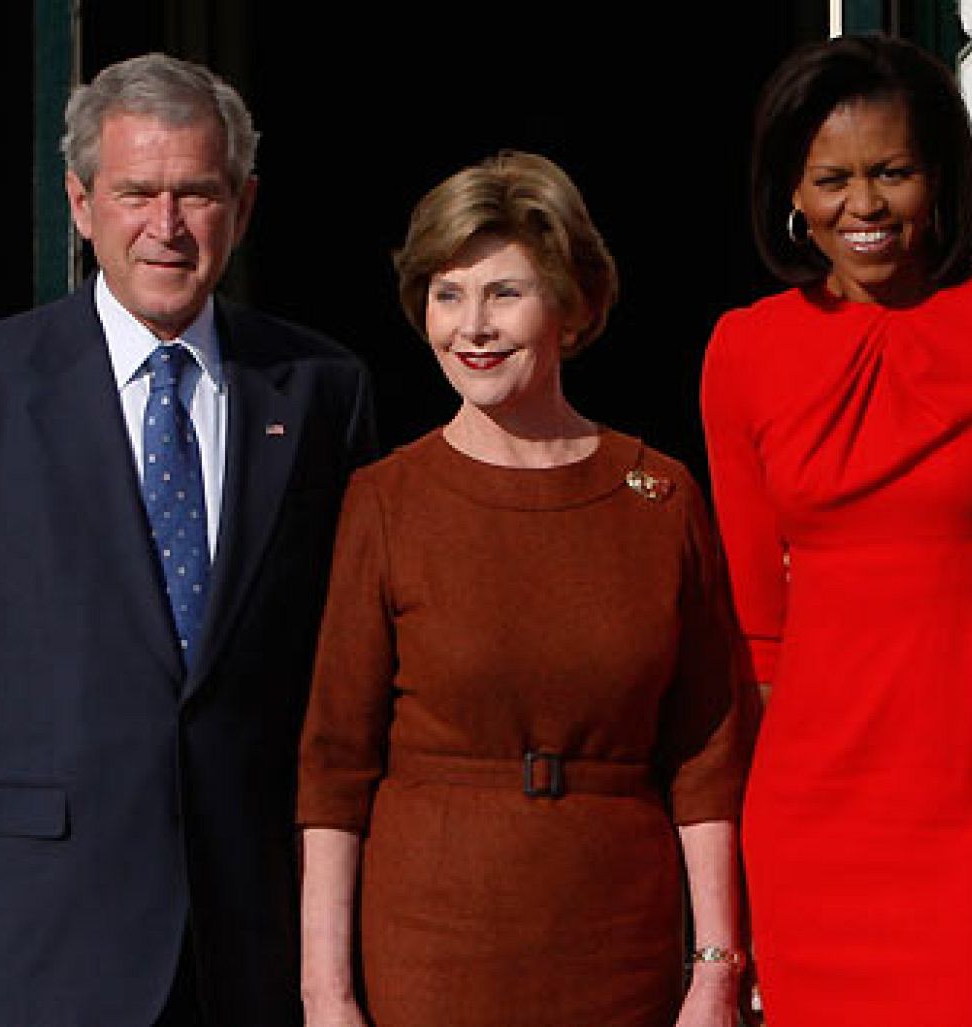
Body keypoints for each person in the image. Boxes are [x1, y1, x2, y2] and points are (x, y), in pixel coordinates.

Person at [0, 53, 377, 1026]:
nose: (165, 228)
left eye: (195, 195)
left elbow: (348, 665)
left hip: (251, 925)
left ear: (242, 206)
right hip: (39, 922)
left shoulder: (319, 390)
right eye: (136, 193)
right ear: (81, 203)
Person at [295, 150, 757, 1027]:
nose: (473, 325)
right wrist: (328, 992)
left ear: (572, 305)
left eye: (504, 292)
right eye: (447, 293)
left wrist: (715, 971)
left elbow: (706, 755)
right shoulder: (387, 499)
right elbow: (334, 766)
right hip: (430, 942)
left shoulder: (658, 496)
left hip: (618, 940)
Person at [700, 33, 972, 1025]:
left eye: (893, 172)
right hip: (815, 812)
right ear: (790, 193)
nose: (866, 207)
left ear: (943, 177)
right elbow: (756, 627)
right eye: (831, 178)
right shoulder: (743, 351)